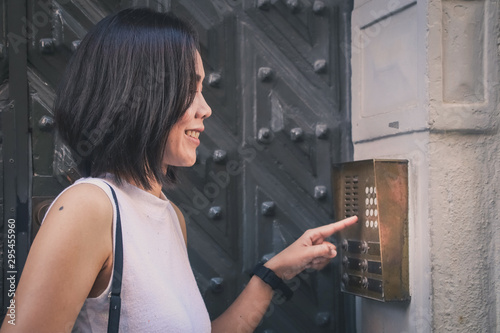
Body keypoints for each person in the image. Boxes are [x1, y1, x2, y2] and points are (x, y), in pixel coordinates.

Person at [0, 7, 357, 333]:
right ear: (134, 94)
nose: (205, 109)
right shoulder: (90, 207)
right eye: (189, 88)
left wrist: (272, 274)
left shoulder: (171, 217)